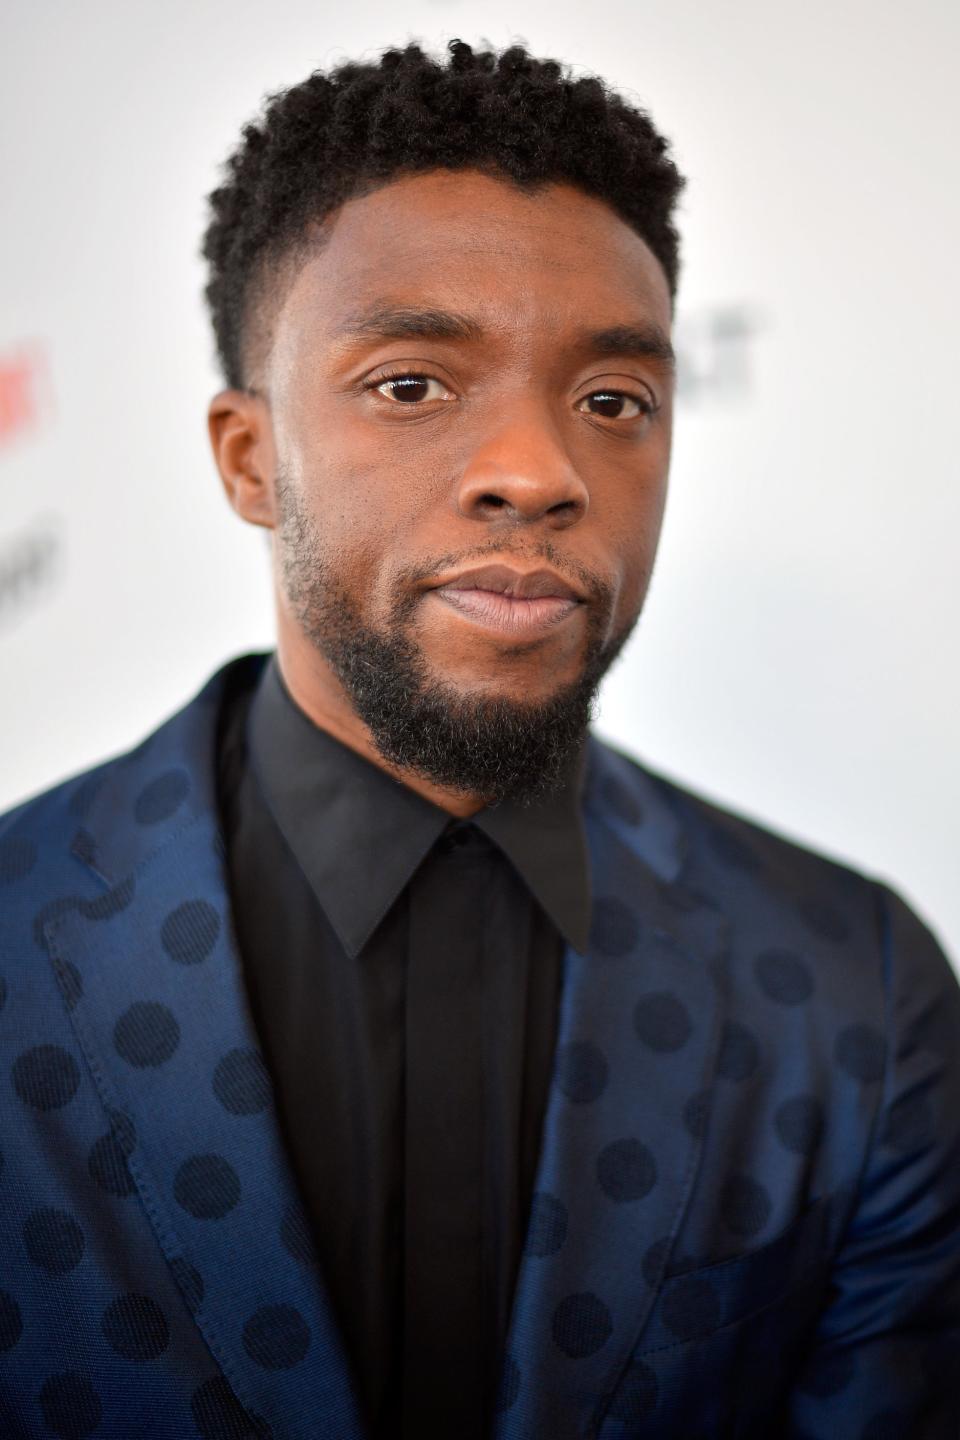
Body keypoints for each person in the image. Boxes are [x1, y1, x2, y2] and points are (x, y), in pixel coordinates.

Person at [0, 38, 957, 1440]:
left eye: (612, 401)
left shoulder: (855, 999)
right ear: (250, 460)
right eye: (412, 385)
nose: (538, 469)